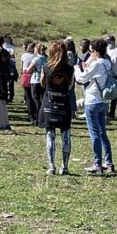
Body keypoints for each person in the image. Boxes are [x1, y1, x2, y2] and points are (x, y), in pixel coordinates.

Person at [75, 37, 114, 175]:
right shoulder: (107, 62)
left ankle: (97, 164)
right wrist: (89, 64)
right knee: (103, 132)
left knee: (94, 134)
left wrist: (76, 68)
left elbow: (81, 79)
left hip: (92, 101)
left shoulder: (96, 64)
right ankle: (109, 162)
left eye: (91, 51)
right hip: (103, 101)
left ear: (95, 51)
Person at [39, 40, 75, 175]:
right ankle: (65, 167)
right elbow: (70, 86)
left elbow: (42, 84)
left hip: (49, 103)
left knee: (50, 135)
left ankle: (51, 166)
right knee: (66, 135)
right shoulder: (70, 69)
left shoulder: (46, 67)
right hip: (64, 104)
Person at [29, 42, 47, 124]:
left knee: (35, 99)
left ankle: (38, 116)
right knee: (42, 99)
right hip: (43, 81)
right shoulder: (46, 58)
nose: (34, 49)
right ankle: (43, 116)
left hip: (35, 80)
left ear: (38, 50)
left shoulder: (35, 59)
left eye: (35, 48)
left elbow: (29, 69)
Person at [105, 35, 117, 119]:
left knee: (113, 93)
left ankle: (112, 113)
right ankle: (105, 111)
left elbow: (114, 61)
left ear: (112, 41)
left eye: (108, 42)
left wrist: (106, 57)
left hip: (113, 73)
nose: (107, 44)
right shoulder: (106, 49)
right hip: (105, 73)